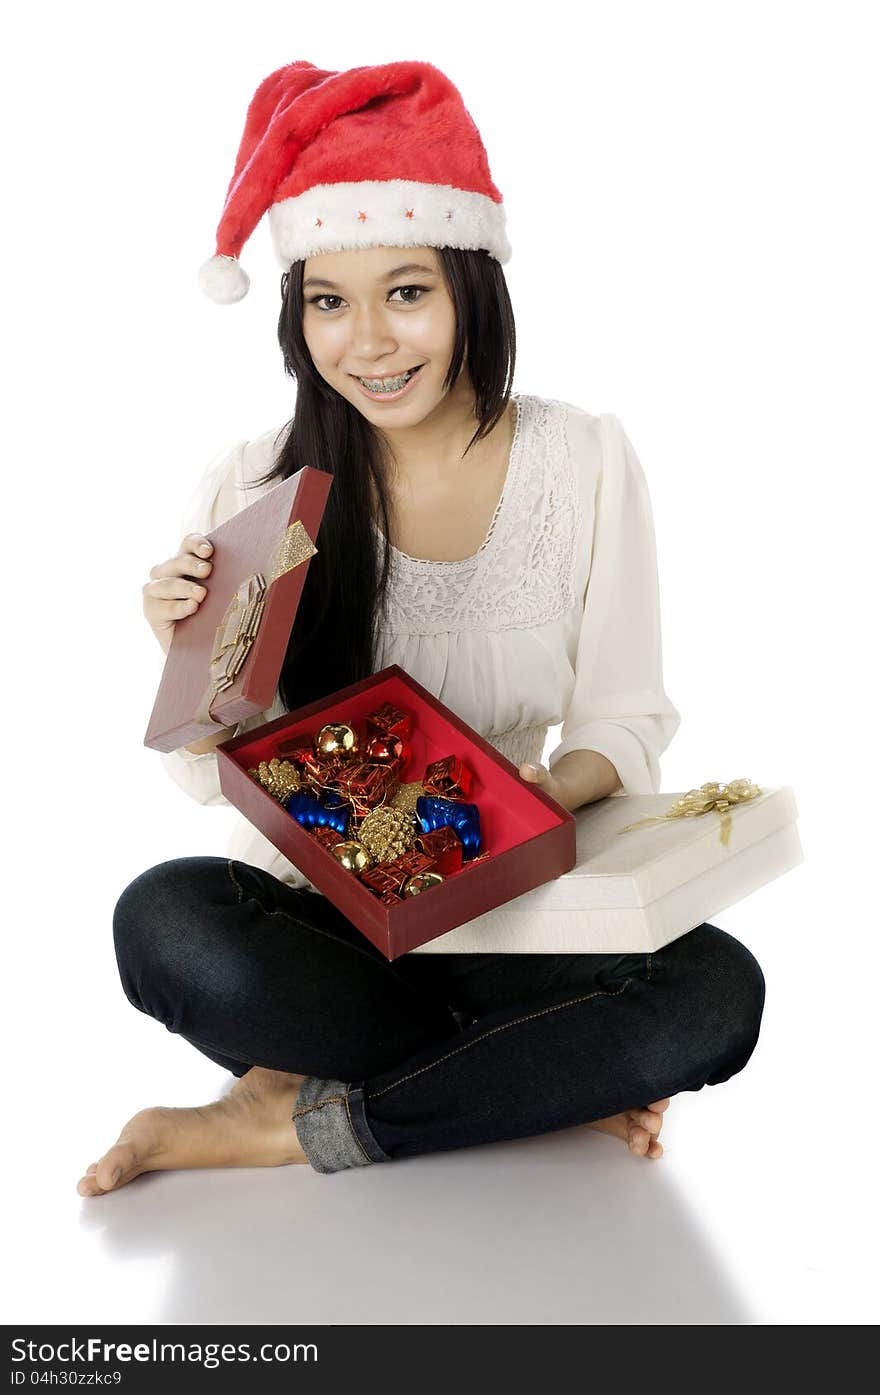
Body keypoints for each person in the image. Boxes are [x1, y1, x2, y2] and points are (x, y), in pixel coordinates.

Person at [76, 58, 765, 1195]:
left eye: (407, 293)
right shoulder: (255, 482)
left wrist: (520, 797)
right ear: (298, 318)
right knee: (166, 921)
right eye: (328, 302)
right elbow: (216, 780)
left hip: (519, 901)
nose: (369, 343)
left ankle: (282, 1117)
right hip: (322, 925)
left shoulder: (581, 458)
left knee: (715, 993)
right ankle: (528, 1084)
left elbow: (625, 717)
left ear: (469, 290)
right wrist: (192, 665)